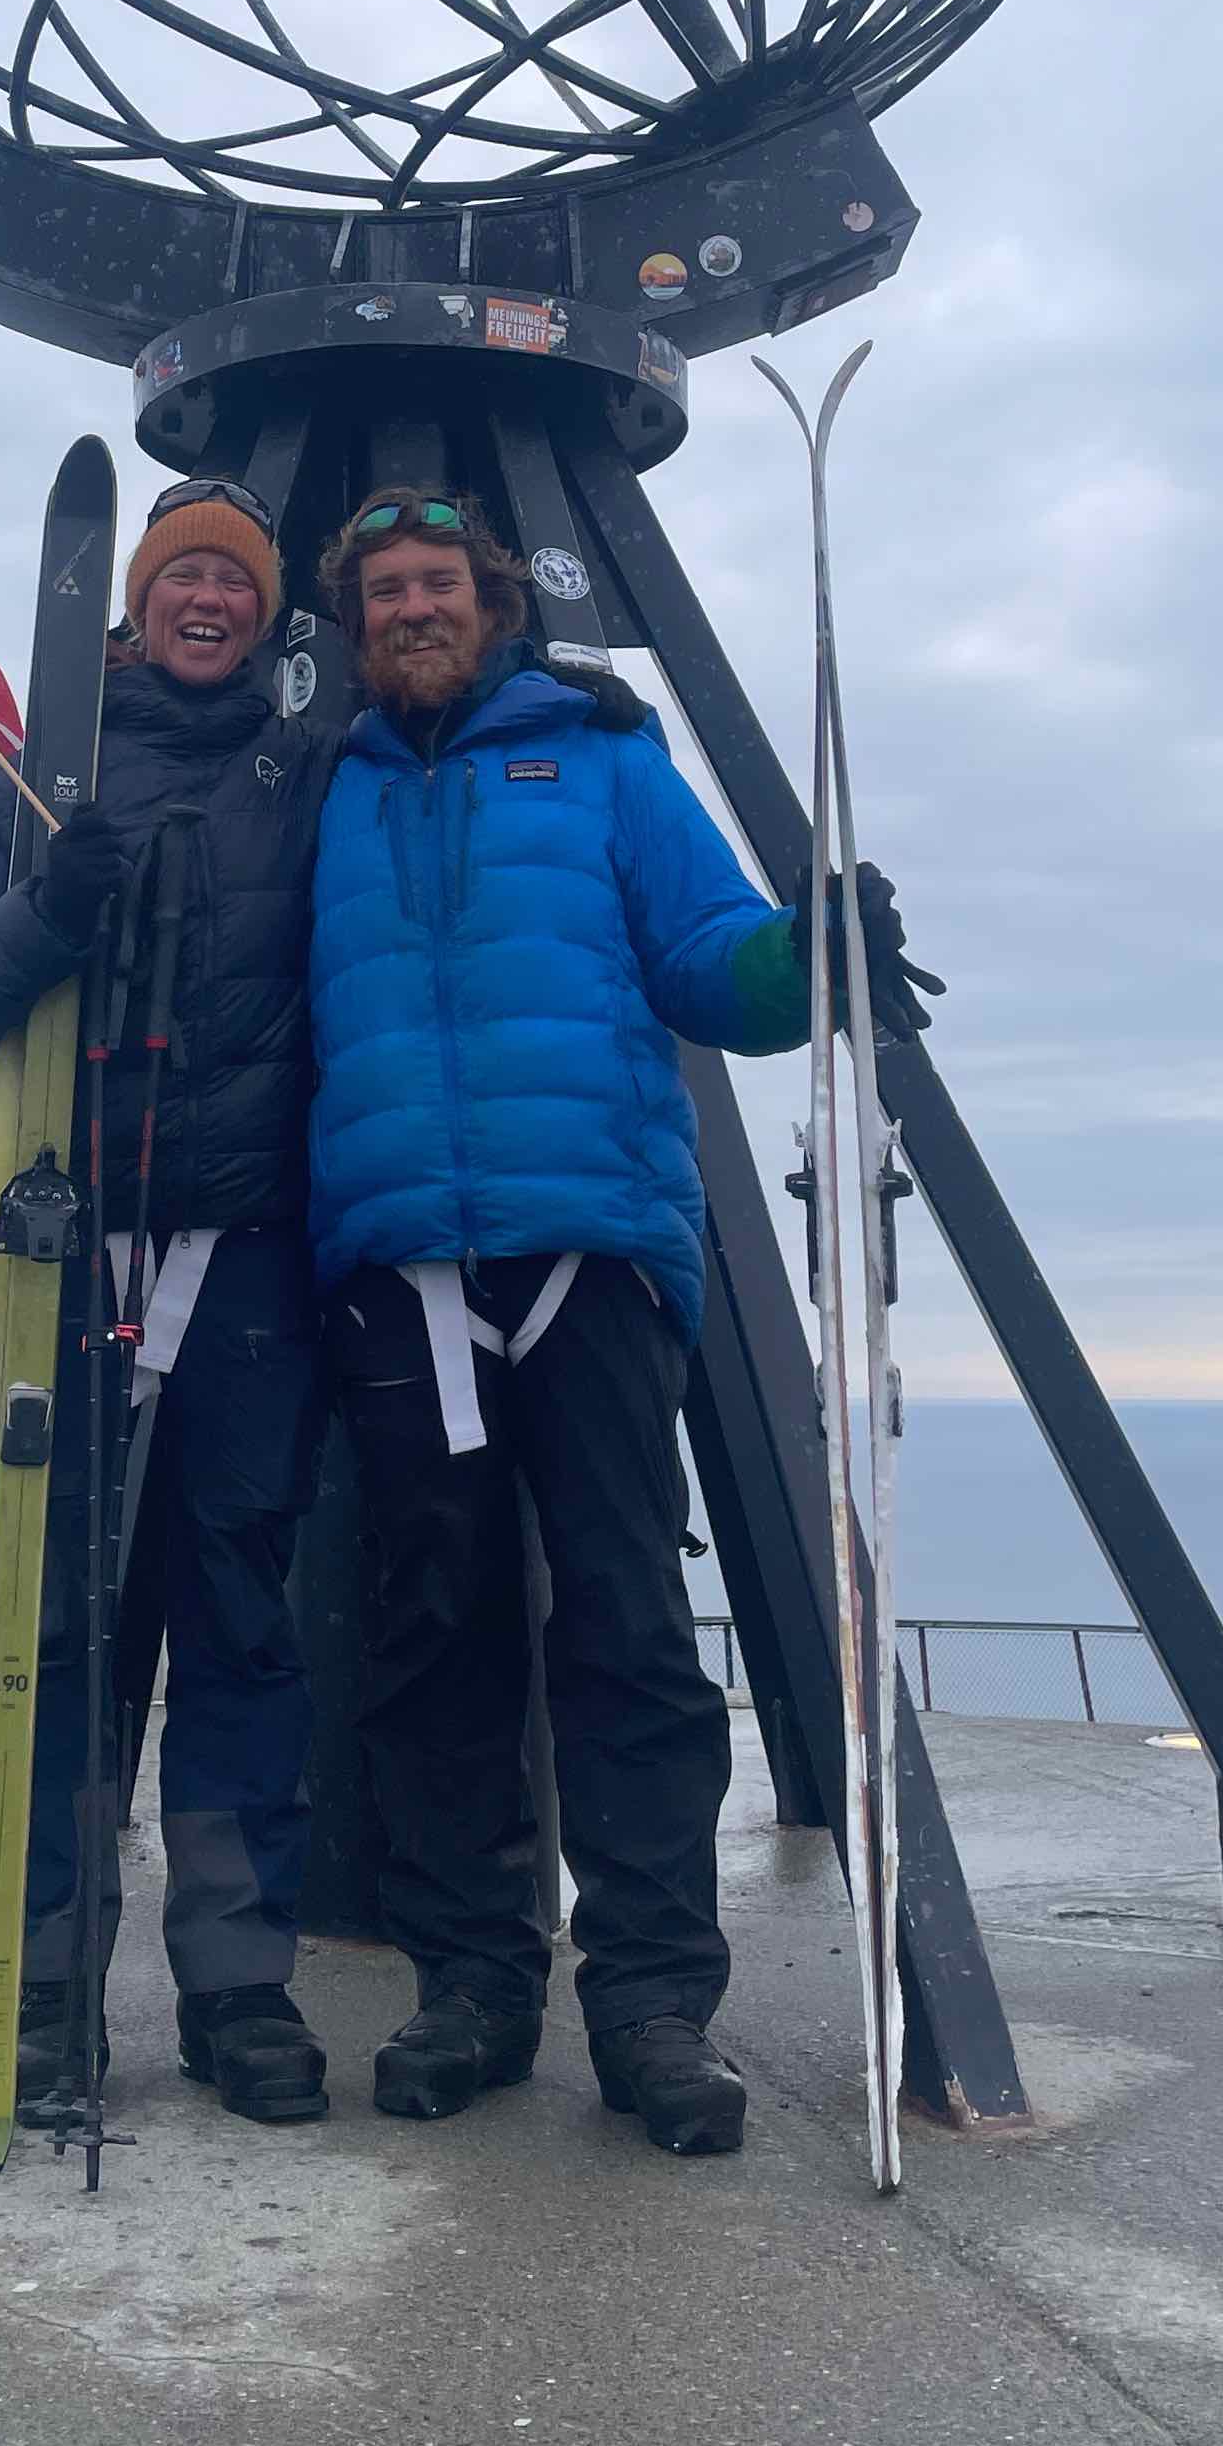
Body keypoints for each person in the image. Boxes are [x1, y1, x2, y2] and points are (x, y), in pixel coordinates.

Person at [308, 483, 927, 2159]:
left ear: (492, 600)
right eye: (385, 590)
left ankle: (652, 2005)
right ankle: (473, 1986)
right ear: (355, 624)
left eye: (439, 582)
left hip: (589, 1249)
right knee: (435, 1642)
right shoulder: (324, 793)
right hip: (403, 1272)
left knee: (626, 1630)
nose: (414, 608)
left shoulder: (603, 763)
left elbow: (711, 958)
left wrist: (809, 955)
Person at [0, 473, 332, 2128]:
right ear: (135, 603)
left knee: (242, 1635)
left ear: (269, 615)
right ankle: (45, 1982)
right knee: (63, 1631)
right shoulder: (30, 781)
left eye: (238, 582)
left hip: (252, 1269)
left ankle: (239, 1988)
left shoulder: (313, 775)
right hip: (67, 1260)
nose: (210, 600)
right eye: (183, 576)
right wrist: (46, 908)